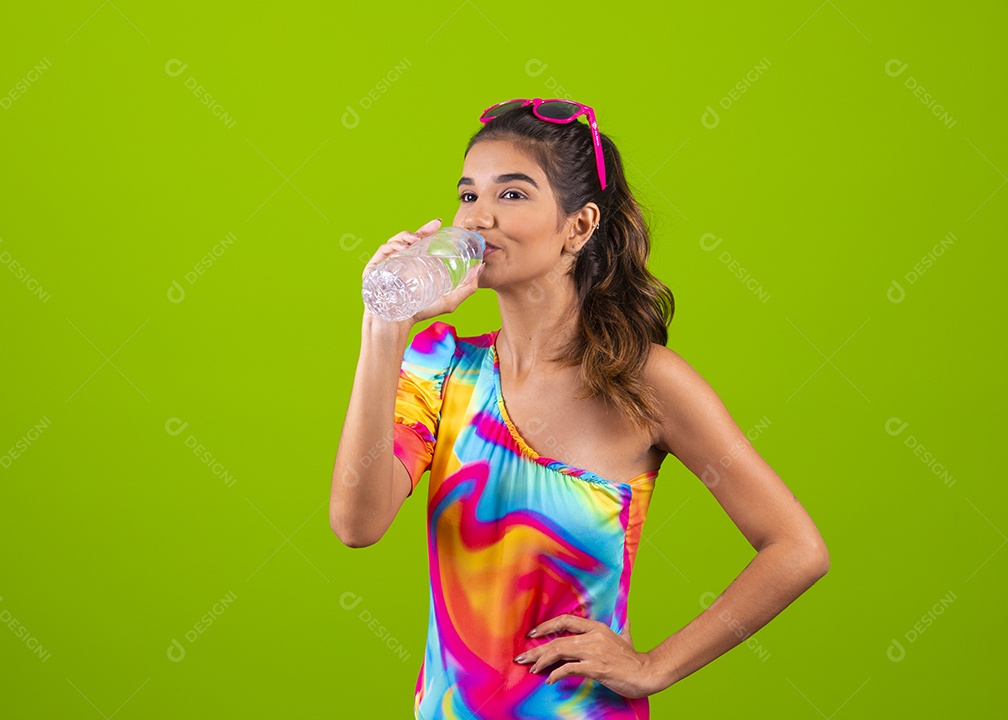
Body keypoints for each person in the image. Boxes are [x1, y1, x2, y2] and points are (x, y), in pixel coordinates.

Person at [331, 98, 829, 719]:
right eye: (468, 195)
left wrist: (655, 667)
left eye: (512, 195)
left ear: (579, 226)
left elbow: (796, 547)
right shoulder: (441, 365)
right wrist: (383, 330)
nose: (478, 218)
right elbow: (358, 524)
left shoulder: (646, 382)